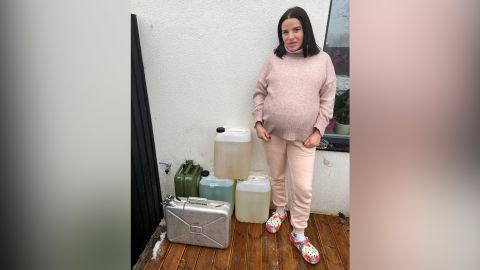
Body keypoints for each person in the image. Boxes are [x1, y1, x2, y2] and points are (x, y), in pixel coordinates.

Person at [252, 6, 336, 264]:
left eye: (295, 29)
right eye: (285, 31)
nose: (290, 36)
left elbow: (327, 99)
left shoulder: (322, 61)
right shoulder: (273, 59)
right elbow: (259, 92)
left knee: (303, 187)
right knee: (276, 176)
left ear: (305, 29)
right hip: (272, 133)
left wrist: (318, 130)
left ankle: (299, 233)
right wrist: (258, 122)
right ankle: (280, 210)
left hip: (304, 138)